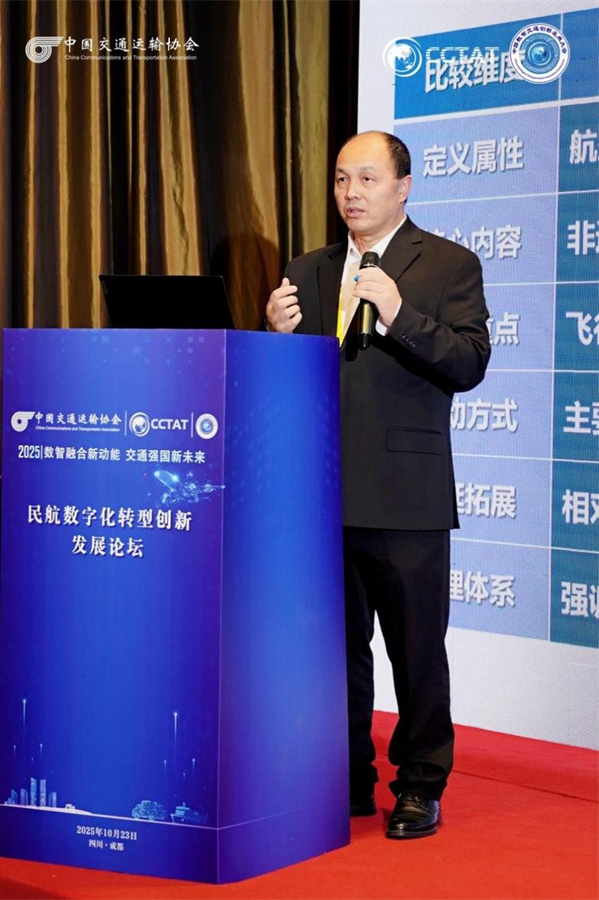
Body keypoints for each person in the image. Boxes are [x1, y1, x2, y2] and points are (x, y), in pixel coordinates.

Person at [265, 131, 491, 839]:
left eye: (366, 178)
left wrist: (399, 314)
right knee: (334, 656)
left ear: (404, 186)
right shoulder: (307, 268)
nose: (351, 193)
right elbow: (286, 388)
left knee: (416, 652)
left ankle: (420, 784)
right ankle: (345, 779)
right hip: (321, 493)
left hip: (405, 494)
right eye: (341, 179)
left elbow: (469, 361)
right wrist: (273, 339)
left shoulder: (448, 263)